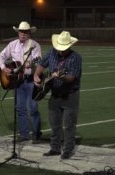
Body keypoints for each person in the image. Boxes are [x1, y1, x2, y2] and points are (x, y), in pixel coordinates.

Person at [33, 31, 82, 159]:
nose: (60, 51)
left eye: (63, 48)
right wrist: (36, 75)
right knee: (54, 124)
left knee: (69, 125)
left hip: (70, 96)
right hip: (55, 94)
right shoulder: (52, 52)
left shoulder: (76, 57)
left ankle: (67, 150)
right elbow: (41, 64)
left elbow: (71, 78)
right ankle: (54, 148)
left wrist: (61, 77)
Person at [0, 21, 42, 143]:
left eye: (26, 32)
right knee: (20, 108)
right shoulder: (12, 45)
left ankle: (36, 134)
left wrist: (32, 64)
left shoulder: (35, 45)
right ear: (18, 32)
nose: (23, 34)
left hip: (31, 80)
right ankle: (24, 134)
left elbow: (38, 61)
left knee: (32, 108)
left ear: (29, 33)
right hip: (17, 82)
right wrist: (4, 68)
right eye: (21, 31)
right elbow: (1, 56)